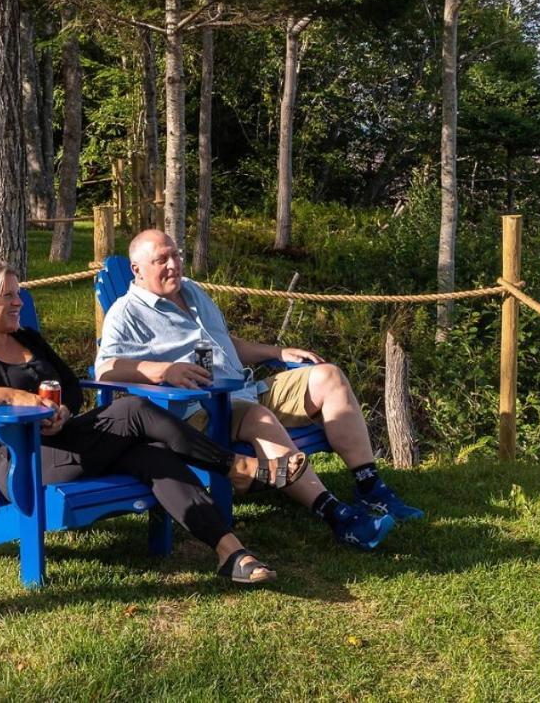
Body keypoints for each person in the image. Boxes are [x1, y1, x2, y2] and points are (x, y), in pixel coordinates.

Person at [0, 260, 309, 586]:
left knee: (153, 457)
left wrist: (63, 412)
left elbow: (71, 388)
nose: (18, 301)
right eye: (8, 295)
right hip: (22, 461)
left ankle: (230, 553)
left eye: (17, 292)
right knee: (133, 409)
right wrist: (12, 397)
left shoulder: (27, 337)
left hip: (67, 442)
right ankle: (237, 467)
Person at [95, 229, 424, 551]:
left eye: (176, 255)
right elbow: (106, 368)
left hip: (245, 389)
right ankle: (337, 516)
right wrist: (164, 370)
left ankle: (370, 488)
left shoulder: (192, 292)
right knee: (257, 417)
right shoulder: (127, 313)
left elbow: (225, 345)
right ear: (136, 269)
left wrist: (276, 353)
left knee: (328, 377)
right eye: (161, 260)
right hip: (197, 413)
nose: (173, 264)